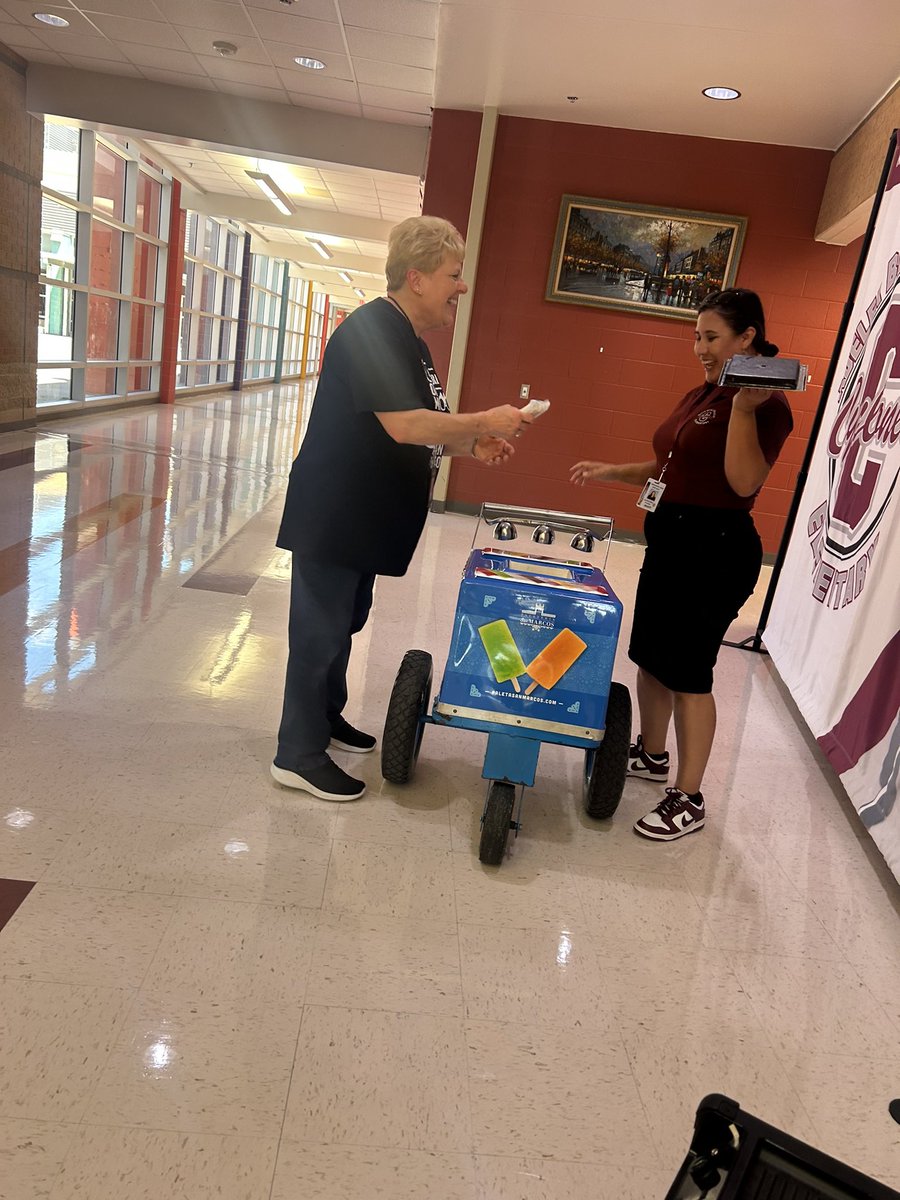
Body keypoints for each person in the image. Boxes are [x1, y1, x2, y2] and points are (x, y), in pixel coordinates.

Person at [272, 215, 532, 803]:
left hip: (364, 517)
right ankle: (297, 753)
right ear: (416, 278)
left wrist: (470, 440)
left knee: (344, 624)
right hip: (336, 516)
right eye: (453, 275)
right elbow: (404, 423)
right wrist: (483, 420)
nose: (460, 288)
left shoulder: (405, 340)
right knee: (319, 633)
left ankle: (325, 719)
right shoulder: (371, 330)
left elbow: (419, 424)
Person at [570, 288, 793, 840]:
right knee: (651, 657)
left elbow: (743, 481)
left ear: (748, 337)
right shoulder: (704, 391)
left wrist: (742, 407)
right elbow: (670, 461)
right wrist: (611, 471)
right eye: (697, 335)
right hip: (671, 541)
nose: (699, 347)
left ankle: (689, 798)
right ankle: (652, 753)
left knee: (690, 674)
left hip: (715, 551)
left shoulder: (764, 404)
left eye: (711, 337)